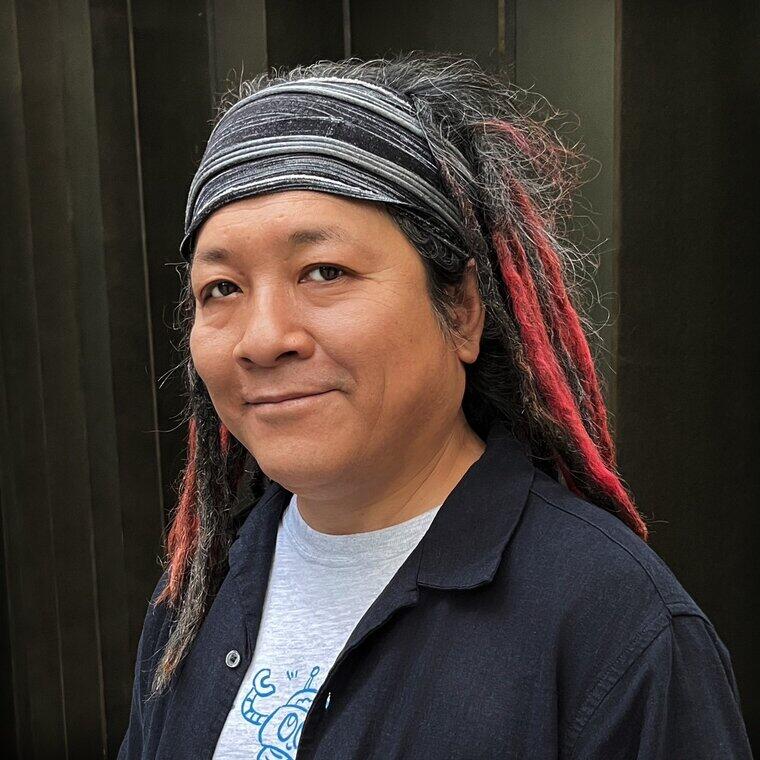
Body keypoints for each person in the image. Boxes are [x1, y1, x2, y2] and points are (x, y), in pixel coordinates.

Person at [118, 53, 752, 759]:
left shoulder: (613, 625)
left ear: (462, 309)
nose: (263, 339)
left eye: (324, 271)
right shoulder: (201, 590)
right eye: (222, 289)